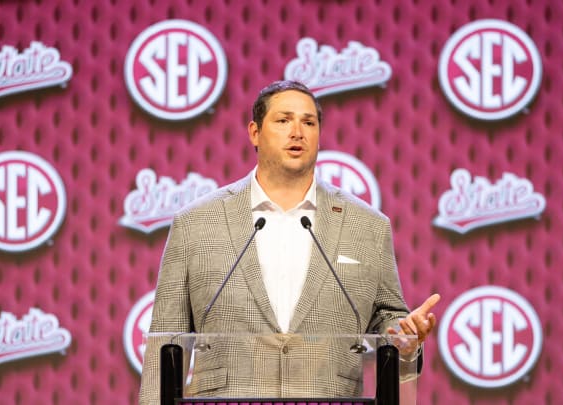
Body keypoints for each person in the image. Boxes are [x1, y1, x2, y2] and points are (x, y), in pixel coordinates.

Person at [138, 80, 440, 404]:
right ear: (254, 132)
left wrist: (404, 336)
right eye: (283, 120)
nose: (297, 132)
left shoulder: (366, 226)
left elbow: (388, 319)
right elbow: (165, 343)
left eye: (308, 122)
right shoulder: (196, 223)